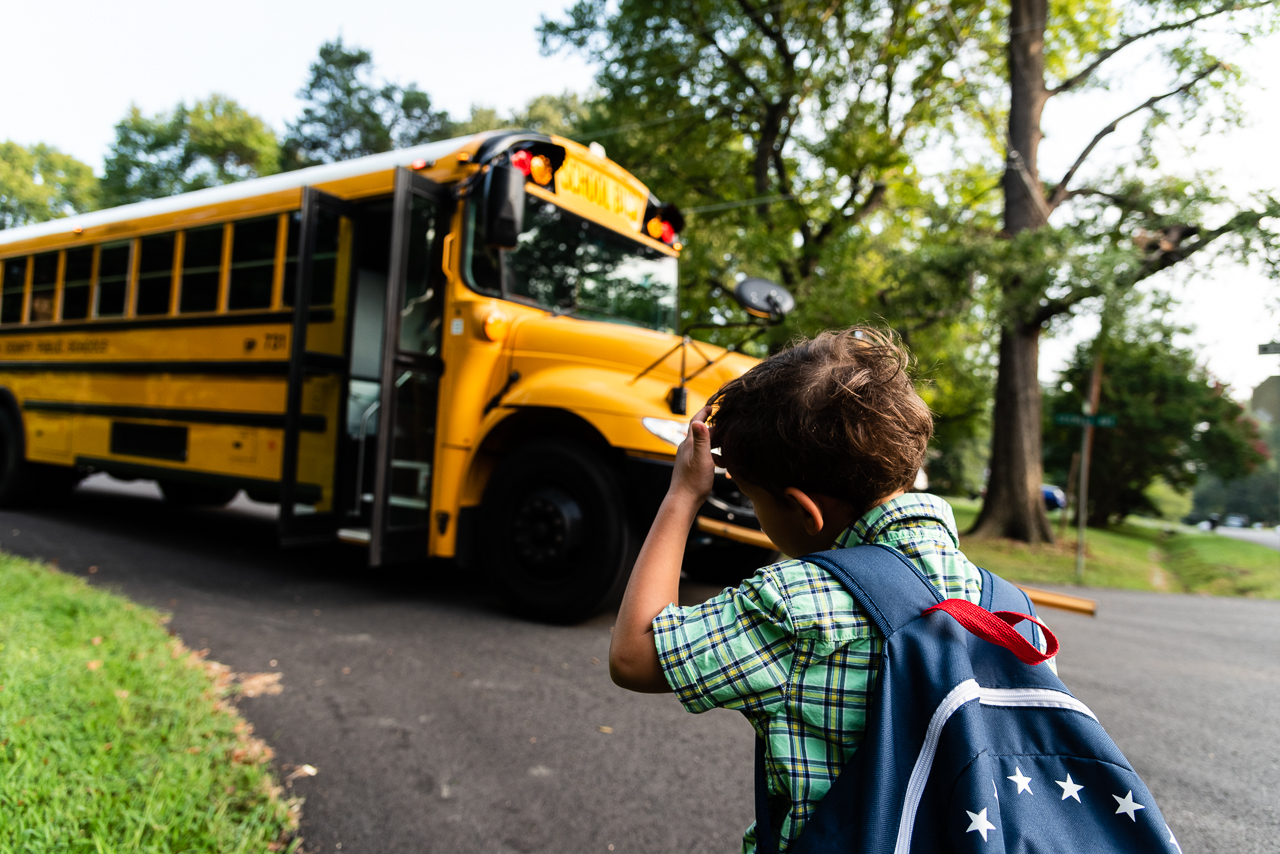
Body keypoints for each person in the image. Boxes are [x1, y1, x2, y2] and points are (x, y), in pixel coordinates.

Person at [609, 326, 991, 853]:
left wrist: (683, 495)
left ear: (805, 512)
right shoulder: (1001, 606)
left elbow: (633, 656)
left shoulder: (796, 606)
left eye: (753, 500)